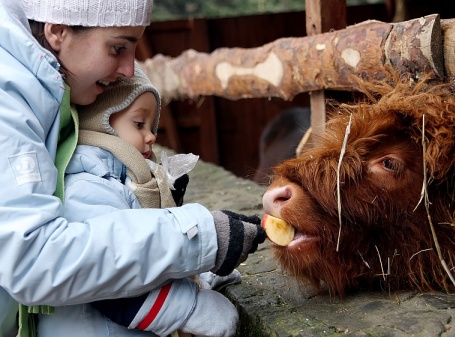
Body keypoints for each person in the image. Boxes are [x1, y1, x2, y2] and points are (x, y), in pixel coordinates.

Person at [0, 1, 266, 337]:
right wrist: (197, 240)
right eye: (117, 48)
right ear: (57, 31)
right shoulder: (9, 103)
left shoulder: (40, 95)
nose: (129, 69)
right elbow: (34, 260)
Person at [37, 65, 243, 336]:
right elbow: (108, 275)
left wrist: (197, 274)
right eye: (139, 124)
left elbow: (145, 252)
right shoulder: (88, 186)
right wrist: (191, 308)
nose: (152, 136)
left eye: (152, 126)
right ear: (102, 122)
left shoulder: (121, 182)